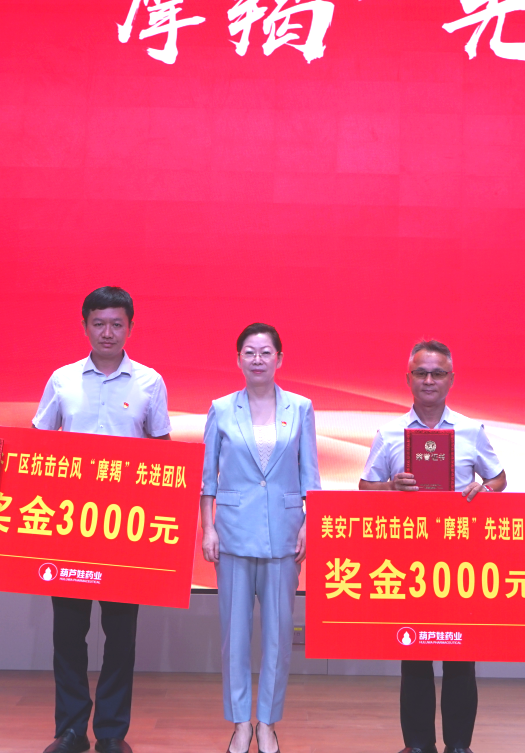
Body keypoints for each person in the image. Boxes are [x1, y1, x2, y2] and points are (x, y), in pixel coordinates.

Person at [32, 286, 171, 753]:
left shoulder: (150, 381)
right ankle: (71, 729)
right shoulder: (63, 379)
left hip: (124, 528)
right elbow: (36, 445)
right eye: (98, 323)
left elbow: (162, 455)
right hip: (70, 525)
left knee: (121, 634)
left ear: (130, 328)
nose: (107, 332)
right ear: (85, 326)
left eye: (116, 324)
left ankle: (111, 732)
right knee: (68, 633)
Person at [359, 340, 505, 753]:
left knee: (461, 655)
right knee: (414, 653)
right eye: (421, 373)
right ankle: (418, 745)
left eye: (437, 373)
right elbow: (365, 488)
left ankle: (459, 745)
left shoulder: (471, 430)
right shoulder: (388, 433)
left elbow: (498, 479)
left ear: (451, 380)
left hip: (459, 560)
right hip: (409, 560)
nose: (429, 380)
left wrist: (483, 490)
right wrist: (391, 486)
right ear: (408, 379)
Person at [200, 322, 320, 753]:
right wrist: (208, 527)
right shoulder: (220, 408)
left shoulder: (301, 408)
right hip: (232, 534)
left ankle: (267, 722)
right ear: (238, 359)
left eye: (265, 352)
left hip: (284, 535)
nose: (257, 359)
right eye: (249, 352)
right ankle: (239, 724)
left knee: (278, 636)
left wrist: (308, 523)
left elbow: (310, 475)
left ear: (279, 359)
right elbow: (207, 479)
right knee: (234, 637)